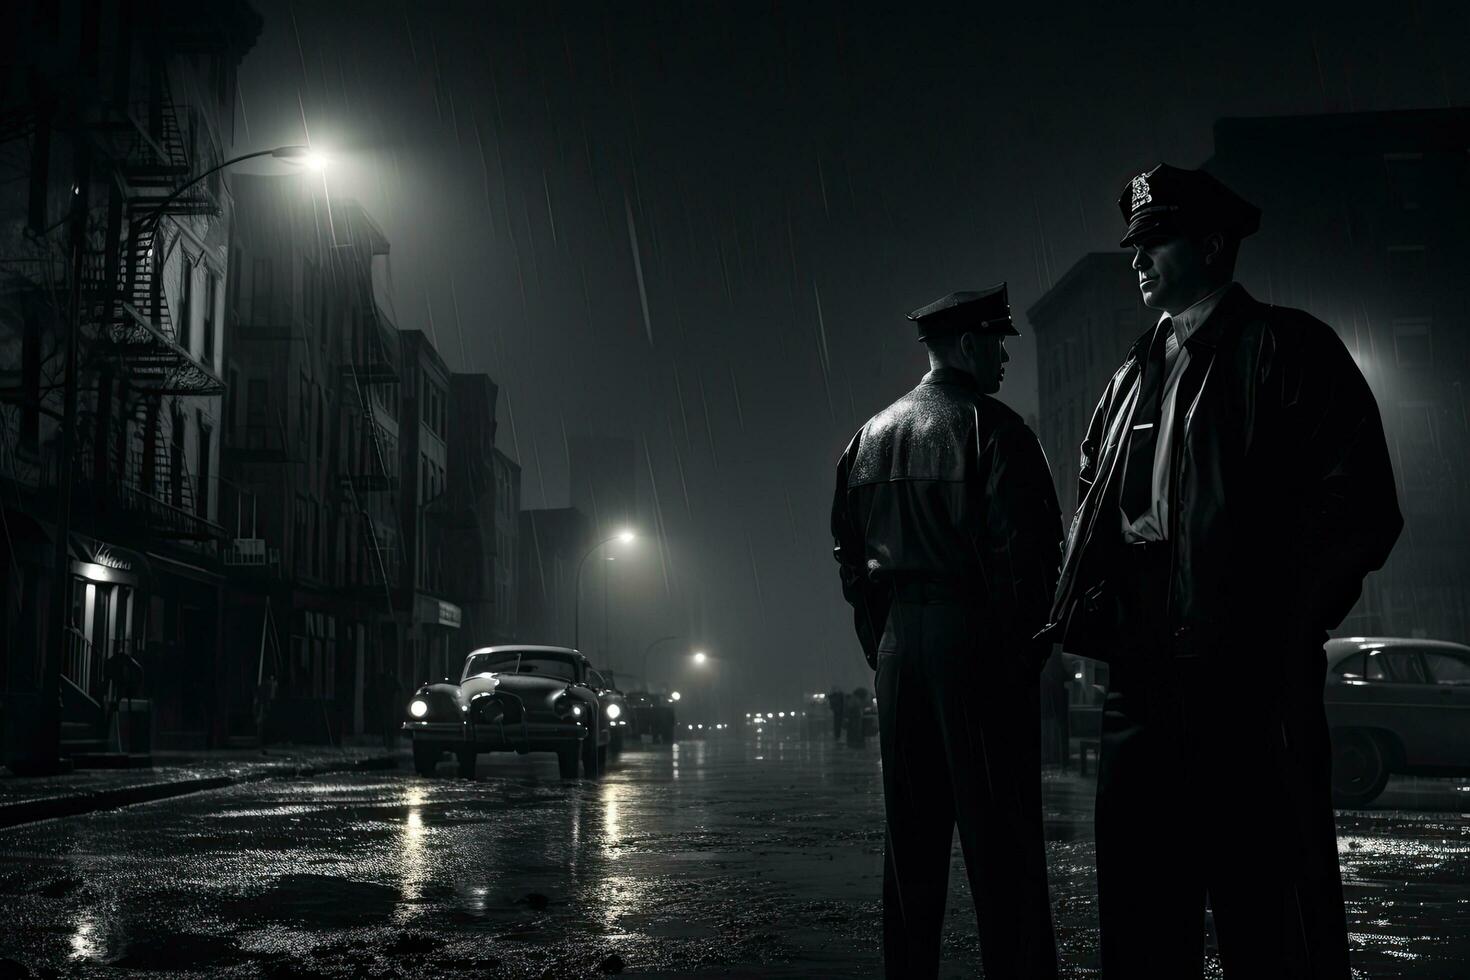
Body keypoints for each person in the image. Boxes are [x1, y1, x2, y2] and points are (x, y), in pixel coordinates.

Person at [1039, 163, 1402, 978]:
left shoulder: (1287, 347)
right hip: (1141, 671)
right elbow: (1097, 505)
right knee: (1139, 901)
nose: (1137, 260)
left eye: (1155, 242)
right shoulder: (1130, 376)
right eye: (1133, 245)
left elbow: (1365, 507)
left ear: (1210, 245)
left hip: (1247, 672)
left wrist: (1285, 621)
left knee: (1266, 902)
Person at [832, 284, 1061, 979]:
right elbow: (1032, 560)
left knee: (911, 847)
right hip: (977, 643)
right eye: (997, 344)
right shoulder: (996, 429)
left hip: (902, 646)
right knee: (1006, 848)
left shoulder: (869, 436)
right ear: (966, 346)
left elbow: (852, 561)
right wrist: (1019, 656)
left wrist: (887, 644)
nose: (1003, 360)